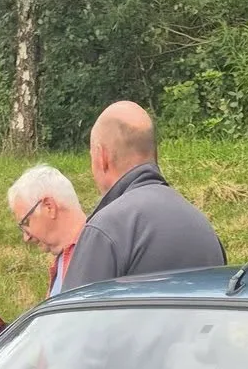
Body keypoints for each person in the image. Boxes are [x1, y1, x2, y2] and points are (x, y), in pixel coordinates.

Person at [60, 101, 224, 289]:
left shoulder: (106, 230)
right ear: (155, 154)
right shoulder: (203, 226)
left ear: (101, 157)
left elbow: (75, 315)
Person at [6, 164, 85, 296]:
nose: (26, 238)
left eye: (26, 223)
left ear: (49, 207)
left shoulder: (95, 255)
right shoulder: (66, 258)